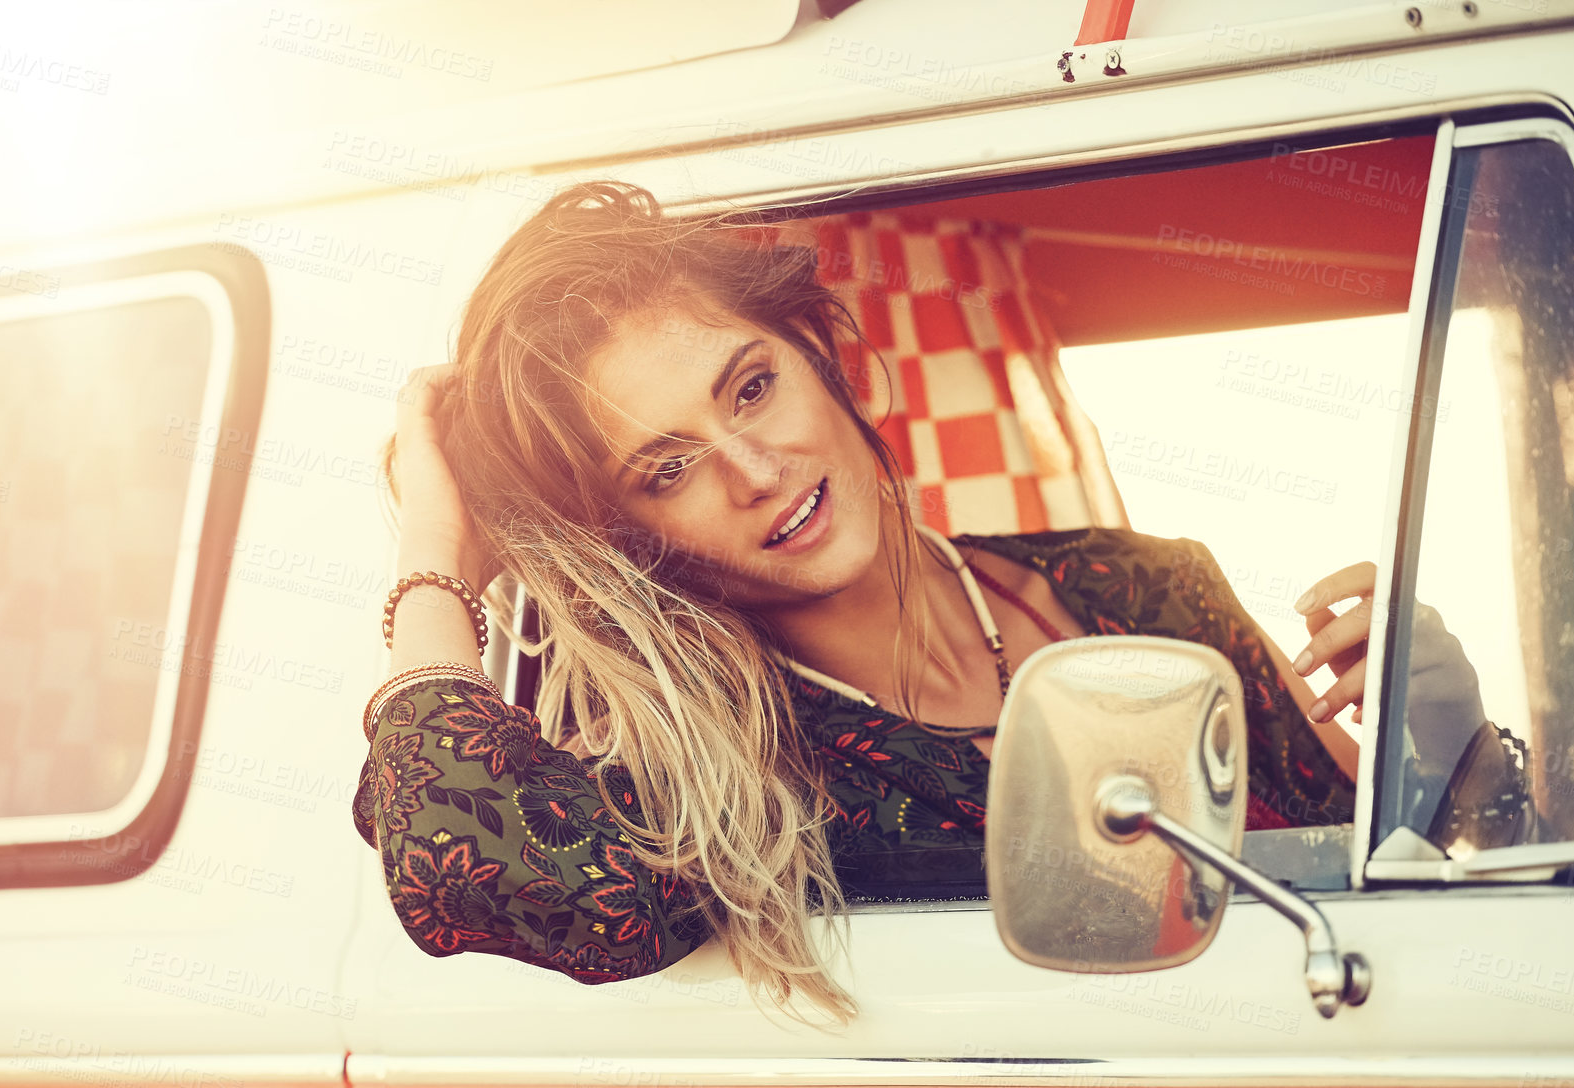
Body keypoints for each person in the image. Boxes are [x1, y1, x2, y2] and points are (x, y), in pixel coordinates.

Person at [349, 182, 1467, 1026]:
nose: (754, 467)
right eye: (668, 467)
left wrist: (1449, 754)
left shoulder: (1149, 584)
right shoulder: (732, 759)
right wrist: (437, 548)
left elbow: (1384, 892)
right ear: (636, 541)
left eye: (752, 385)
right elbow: (458, 850)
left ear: (826, 357)